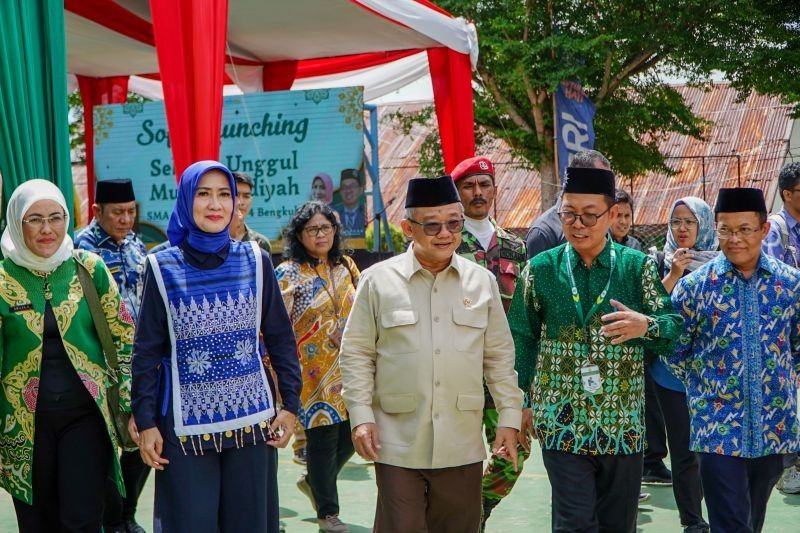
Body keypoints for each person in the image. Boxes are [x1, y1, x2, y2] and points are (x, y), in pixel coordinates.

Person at [340, 175, 522, 532]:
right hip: (395, 440)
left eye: (454, 223)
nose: (445, 234)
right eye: (432, 225)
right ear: (409, 227)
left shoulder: (481, 282)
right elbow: (357, 353)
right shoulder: (377, 281)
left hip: (462, 441)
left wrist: (509, 417)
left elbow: (499, 357)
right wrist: (361, 416)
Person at [131, 160, 302, 533]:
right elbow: (145, 351)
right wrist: (145, 421)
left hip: (253, 423)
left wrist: (290, 404)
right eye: (203, 194)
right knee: (190, 524)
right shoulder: (160, 267)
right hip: (184, 427)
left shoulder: (255, 260)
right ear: (186, 200)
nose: (216, 204)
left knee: (250, 523)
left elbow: (279, 336)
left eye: (224, 194)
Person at [510, 166, 682, 532]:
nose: (578, 223)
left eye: (590, 214)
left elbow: (673, 329)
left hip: (621, 423)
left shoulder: (637, 268)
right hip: (560, 419)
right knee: (573, 523)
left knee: (618, 525)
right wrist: (522, 401)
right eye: (569, 213)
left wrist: (645, 326)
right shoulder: (540, 270)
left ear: (609, 214)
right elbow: (522, 336)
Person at [0, 179, 135, 531]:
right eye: (34, 219)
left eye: (56, 217)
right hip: (22, 426)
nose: (47, 229)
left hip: (85, 416)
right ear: (16, 222)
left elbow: (124, 338)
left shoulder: (89, 268)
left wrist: (131, 402)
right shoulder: (2, 278)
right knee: (37, 522)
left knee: (82, 519)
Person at [668, 187, 800, 533]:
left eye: (744, 229)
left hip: (773, 426)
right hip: (717, 430)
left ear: (764, 230)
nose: (734, 239)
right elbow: (676, 352)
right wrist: (708, 391)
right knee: (730, 525)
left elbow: (797, 350)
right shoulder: (695, 287)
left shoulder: (790, 286)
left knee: (751, 522)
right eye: (725, 229)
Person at [450, 156, 528, 529]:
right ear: (458, 192)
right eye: (469, 185)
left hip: (502, 370)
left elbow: (525, 312)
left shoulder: (515, 246)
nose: (478, 192)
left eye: (484, 185)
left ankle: (476, 509)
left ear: (495, 190)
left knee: (514, 454)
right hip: (458, 367)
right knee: (456, 458)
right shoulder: (445, 242)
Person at [275, 201, 359, 533]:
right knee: (322, 442)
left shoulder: (347, 266)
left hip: (351, 370)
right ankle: (328, 514)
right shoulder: (288, 273)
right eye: (313, 229)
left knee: (353, 436)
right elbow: (278, 327)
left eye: (326, 227)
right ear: (299, 235)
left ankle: (314, 482)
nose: (321, 234)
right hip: (311, 375)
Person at [74, 178, 149, 533]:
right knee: (104, 444)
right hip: (99, 362)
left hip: (139, 361)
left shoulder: (137, 245)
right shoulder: (79, 250)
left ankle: (127, 513)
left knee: (142, 437)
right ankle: (111, 518)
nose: (126, 219)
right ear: (97, 211)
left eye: (131, 211)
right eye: (118, 212)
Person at [650, 197, 717, 533]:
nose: (683, 228)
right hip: (669, 373)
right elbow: (649, 311)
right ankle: (692, 520)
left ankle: (718, 510)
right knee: (683, 449)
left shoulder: (721, 263)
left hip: (713, 374)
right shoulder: (658, 261)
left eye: (690, 222)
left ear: (703, 225)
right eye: (677, 221)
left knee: (713, 449)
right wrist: (675, 273)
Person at [762, 162, 800, 495]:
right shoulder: (776, 230)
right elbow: (773, 281)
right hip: (784, 332)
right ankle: (788, 469)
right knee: (786, 398)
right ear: (787, 194)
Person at [230, 172, 272, 253]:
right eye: (236, 195)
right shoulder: (213, 239)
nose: (240, 202)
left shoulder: (260, 243)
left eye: (246, 196)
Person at [332, 169, 365, 238]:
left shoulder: (366, 213)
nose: (348, 190)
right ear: (340, 191)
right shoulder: (333, 213)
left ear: (361, 190)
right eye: (344, 187)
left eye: (352, 186)